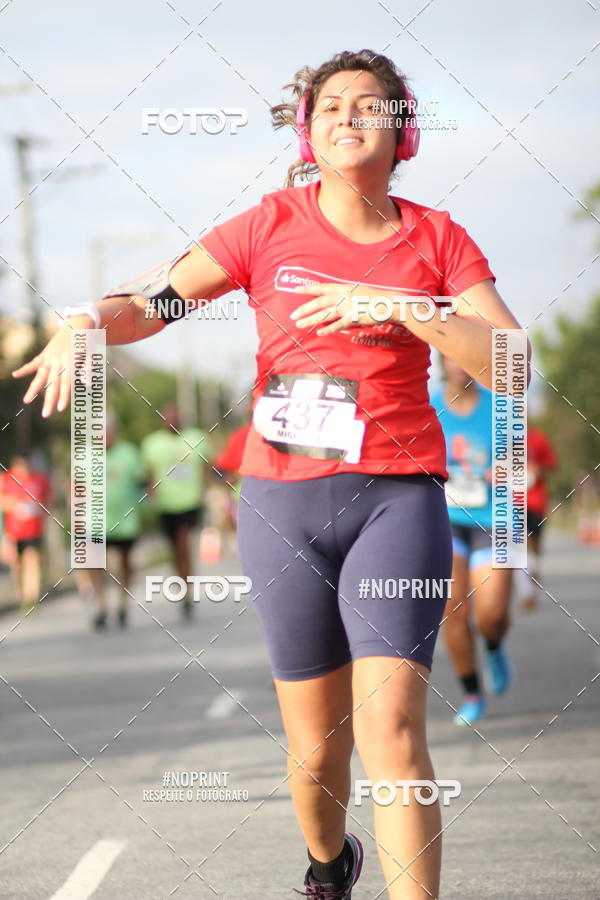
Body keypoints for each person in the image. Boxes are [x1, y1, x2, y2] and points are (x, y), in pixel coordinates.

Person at [12, 48, 530, 900]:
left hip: (397, 499)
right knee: (316, 752)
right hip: (282, 507)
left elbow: (510, 359)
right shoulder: (266, 226)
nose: (348, 115)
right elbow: (155, 303)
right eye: (330, 106)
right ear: (307, 132)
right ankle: (330, 865)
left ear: (404, 133)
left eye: (369, 104)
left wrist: (405, 307)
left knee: (393, 730)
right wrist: (84, 322)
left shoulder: (437, 238)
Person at [431, 357, 514, 726]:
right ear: (441, 361)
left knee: (491, 615)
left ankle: (494, 645)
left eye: (465, 357)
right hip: (446, 520)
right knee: (452, 607)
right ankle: (472, 694)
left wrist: (507, 469)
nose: (459, 364)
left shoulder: (500, 407)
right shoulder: (430, 406)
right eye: (451, 356)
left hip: (496, 519)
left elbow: (524, 464)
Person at [140, 403, 209, 618]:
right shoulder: (152, 444)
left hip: (190, 502)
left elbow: (207, 468)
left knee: (183, 543)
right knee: (174, 549)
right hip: (166, 504)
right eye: (167, 417)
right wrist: (150, 491)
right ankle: (181, 584)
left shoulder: (196, 438)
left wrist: (204, 490)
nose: (171, 421)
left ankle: (188, 590)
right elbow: (148, 474)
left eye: (175, 417)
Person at [78, 416, 145, 629]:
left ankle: (123, 603)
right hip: (96, 520)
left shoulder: (129, 453)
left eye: (108, 431)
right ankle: (101, 605)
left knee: (125, 561)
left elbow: (142, 480)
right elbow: (77, 487)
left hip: (125, 521)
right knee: (94, 562)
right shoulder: (85, 456)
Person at [0, 452, 51, 613]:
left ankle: (31, 598)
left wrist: (40, 509)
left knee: (32, 560)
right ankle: (21, 593)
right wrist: (14, 506)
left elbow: (48, 500)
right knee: (17, 564)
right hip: (13, 532)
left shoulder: (39, 479)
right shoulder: (6, 479)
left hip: (33, 530)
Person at [516, 422, 557, 610]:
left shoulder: (538, 438)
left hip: (535, 502)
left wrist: (537, 468)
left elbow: (552, 464)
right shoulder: (502, 437)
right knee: (518, 547)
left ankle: (534, 581)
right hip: (511, 502)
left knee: (535, 548)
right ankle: (526, 592)